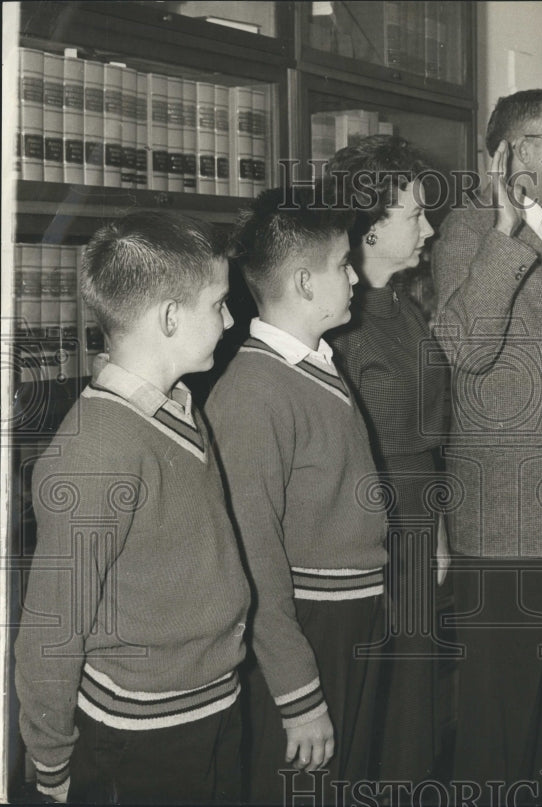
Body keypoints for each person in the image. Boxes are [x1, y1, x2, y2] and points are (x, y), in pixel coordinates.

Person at [14, 211, 250, 804]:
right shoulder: (97, 449)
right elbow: (51, 630)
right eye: (219, 303)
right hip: (143, 735)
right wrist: (50, 763)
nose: (229, 318)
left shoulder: (176, 405)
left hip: (212, 703)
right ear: (171, 317)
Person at [432, 89, 542, 800]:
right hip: (505, 524)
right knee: (499, 723)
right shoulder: (472, 229)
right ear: (511, 151)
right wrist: (503, 234)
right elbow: (465, 349)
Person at [205, 184, 387, 803]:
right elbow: (254, 565)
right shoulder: (254, 392)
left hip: (346, 615)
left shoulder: (314, 361)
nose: (355, 278)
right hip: (307, 630)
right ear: (306, 283)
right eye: (343, 264)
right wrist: (297, 693)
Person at [325, 135, 450, 787]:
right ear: (369, 227)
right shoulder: (339, 322)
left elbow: (431, 430)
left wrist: (439, 529)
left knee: (414, 697)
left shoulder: (405, 302)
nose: (429, 228)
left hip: (419, 521)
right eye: (415, 216)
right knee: (372, 701)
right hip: (369, 536)